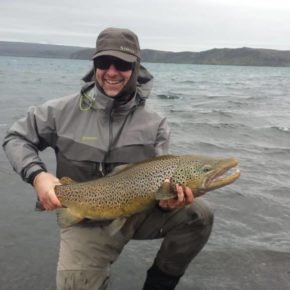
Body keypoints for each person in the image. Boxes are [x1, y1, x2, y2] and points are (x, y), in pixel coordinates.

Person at [2, 27, 214, 290]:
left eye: (122, 64)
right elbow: (15, 138)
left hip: (137, 212)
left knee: (199, 214)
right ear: (94, 66)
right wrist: (37, 175)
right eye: (104, 62)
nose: (112, 72)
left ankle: (159, 284)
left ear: (136, 67)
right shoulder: (59, 111)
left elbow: (164, 181)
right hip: (84, 219)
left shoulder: (155, 123)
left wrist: (167, 203)